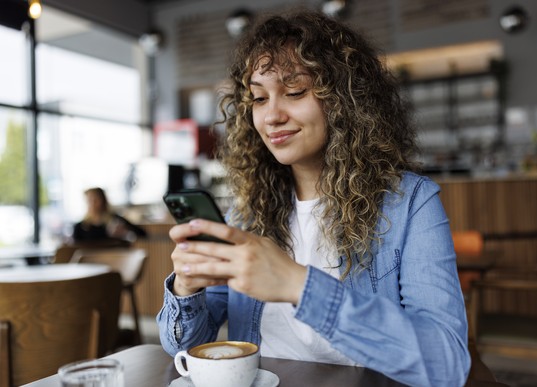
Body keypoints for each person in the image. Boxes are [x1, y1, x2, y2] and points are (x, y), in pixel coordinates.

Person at [157, 9, 470, 386]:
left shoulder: (410, 203)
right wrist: (186, 289)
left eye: (294, 92)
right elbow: (185, 347)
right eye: (258, 98)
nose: (271, 116)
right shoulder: (247, 212)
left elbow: (447, 366)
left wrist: (297, 285)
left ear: (346, 100)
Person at [72, 187, 147, 244]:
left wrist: (125, 233)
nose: (92, 204)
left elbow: (141, 233)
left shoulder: (115, 220)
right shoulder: (80, 227)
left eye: (95, 200)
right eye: (89, 200)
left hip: (115, 259)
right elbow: (75, 246)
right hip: (89, 262)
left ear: (103, 201)